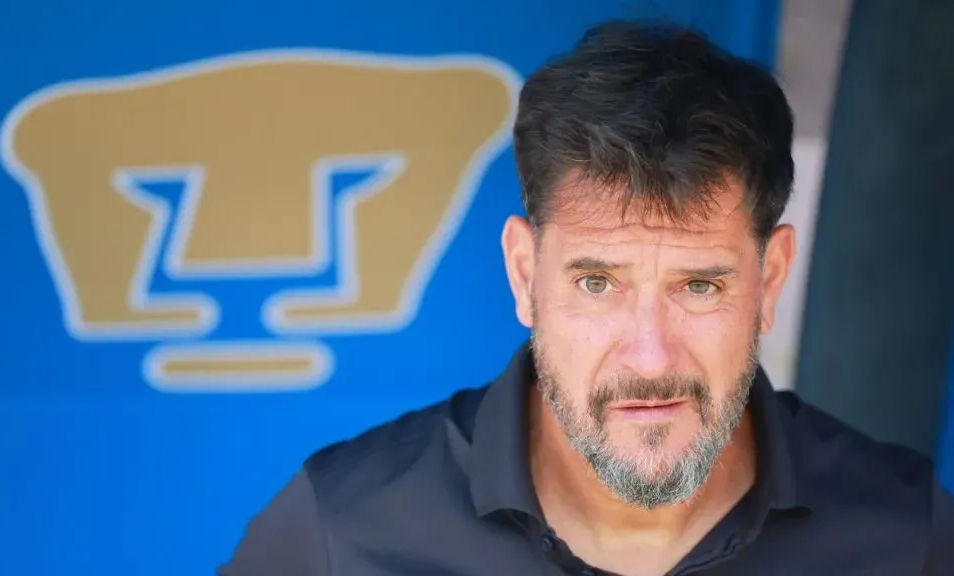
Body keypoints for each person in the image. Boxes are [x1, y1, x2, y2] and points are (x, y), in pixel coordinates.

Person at [218, 20, 951, 576]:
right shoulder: (341, 534)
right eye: (597, 283)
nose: (650, 358)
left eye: (699, 286)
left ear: (771, 279)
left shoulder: (906, 536)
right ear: (523, 275)